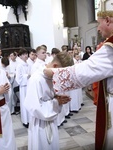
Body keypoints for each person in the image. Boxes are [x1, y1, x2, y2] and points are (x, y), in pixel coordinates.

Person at [44, 1, 113, 149]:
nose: (98, 28)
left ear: (108, 20)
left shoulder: (111, 48)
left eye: (99, 23)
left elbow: (88, 70)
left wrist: (52, 72)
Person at [24, 52, 73, 150]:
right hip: (40, 124)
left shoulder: (50, 76)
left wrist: (58, 98)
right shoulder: (37, 79)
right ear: (55, 66)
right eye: (61, 73)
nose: (61, 76)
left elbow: (50, 95)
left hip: (51, 121)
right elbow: (35, 107)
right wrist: (56, 102)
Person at [15, 47, 30, 128]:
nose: (26, 56)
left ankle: (30, 119)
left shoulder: (27, 64)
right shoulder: (19, 65)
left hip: (29, 86)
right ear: (20, 56)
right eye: (23, 54)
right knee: (24, 103)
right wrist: (27, 76)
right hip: (24, 87)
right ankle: (25, 121)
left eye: (26, 54)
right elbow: (18, 79)